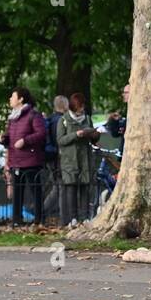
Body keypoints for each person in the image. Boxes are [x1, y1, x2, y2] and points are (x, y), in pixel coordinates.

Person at [2, 87, 47, 225]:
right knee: (17, 192)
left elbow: (41, 133)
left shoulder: (33, 115)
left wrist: (25, 141)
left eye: (12, 96)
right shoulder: (12, 118)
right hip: (16, 160)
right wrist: (5, 139)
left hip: (31, 160)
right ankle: (17, 219)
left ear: (21, 99)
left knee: (35, 190)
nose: (10, 99)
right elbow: (10, 136)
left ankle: (39, 219)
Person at [56, 92, 99, 226]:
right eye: (80, 106)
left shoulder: (87, 119)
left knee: (85, 187)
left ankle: (85, 216)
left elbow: (93, 139)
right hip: (69, 160)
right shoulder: (63, 120)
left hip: (84, 158)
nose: (82, 109)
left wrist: (94, 135)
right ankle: (73, 218)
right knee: (71, 188)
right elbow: (60, 140)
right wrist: (76, 134)